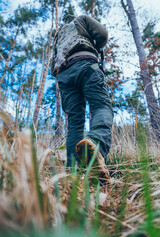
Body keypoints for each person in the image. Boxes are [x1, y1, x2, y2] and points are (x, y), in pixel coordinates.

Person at [51, 14, 113, 177]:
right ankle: (96, 144)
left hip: (64, 75)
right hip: (86, 65)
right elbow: (103, 34)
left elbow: (53, 62)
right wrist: (96, 46)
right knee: (101, 106)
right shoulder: (82, 19)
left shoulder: (59, 33)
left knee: (74, 122)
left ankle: (73, 171)